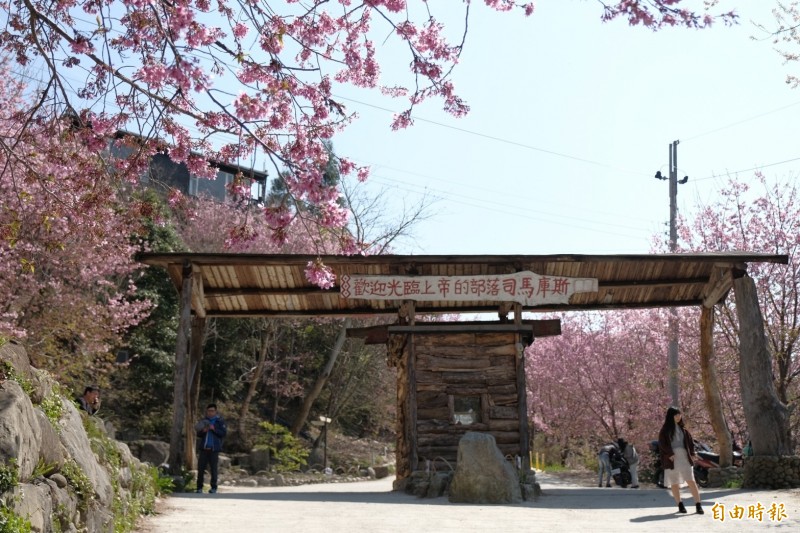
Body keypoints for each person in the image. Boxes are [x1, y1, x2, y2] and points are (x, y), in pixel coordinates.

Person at [657, 406, 704, 514]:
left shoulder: (684, 430)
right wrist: (669, 454)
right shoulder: (664, 431)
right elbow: (662, 444)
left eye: (679, 414)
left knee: (691, 480)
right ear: (670, 416)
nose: (678, 416)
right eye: (676, 414)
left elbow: (691, 444)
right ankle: (680, 504)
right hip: (672, 459)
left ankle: (698, 505)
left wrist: (692, 453)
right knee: (674, 483)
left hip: (684, 457)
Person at [195, 403, 227, 494]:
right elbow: (198, 433)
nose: (210, 413)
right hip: (204, 449)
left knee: (213, 469)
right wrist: (203, 431)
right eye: (209, 411)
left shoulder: (220, 421)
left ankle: (213, 488)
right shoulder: (204, 421)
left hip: (214, 449)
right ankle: (199, 488)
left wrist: (214, 429)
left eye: (212, 411)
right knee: (200, 469)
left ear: (216, 411)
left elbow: (223, 433)